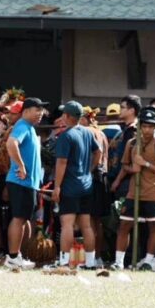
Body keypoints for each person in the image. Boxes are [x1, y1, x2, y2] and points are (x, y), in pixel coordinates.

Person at [113, 106, 155, 271]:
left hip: (154, 192)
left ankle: (148, 261)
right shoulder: (131, 143)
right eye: (144, 126)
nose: (147, 130)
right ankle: (119, 261)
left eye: (150, 126)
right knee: (124, 225)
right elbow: (125, 165)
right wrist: (133, 169)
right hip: (134, 192)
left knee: (153, 227)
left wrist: (145, 164)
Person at [48, 101, 101, 270]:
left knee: (67, 224)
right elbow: (98, 151)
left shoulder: (66, 136)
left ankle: (64, 262)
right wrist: (90, 169)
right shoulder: (87, 132)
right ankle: (90, 262)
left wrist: (57, 186)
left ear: (67, 116)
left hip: (69, 186)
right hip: (86, 185)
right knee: (86, 225)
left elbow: (61, 162)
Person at [2, 98, 45, 270]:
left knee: (25, 218)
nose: (41, 113)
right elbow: (11, 143)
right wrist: (20, 165)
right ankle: (13, 257)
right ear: (26, 111)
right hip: (20, 180)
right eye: (37, 109)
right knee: (19, 218)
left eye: (42, 110)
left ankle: (20, 256)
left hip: (29, 183)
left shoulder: (30, 128)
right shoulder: (22, 125)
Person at [79, 106, 110, 263]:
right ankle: (97, 257)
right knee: (97, 222)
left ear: (85, 119)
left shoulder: (87, 132)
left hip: (92, 177)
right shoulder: (102, 133)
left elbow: (97, 155)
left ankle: (92, 257)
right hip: (102, 178)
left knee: (89, 220)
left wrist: (88, 171)